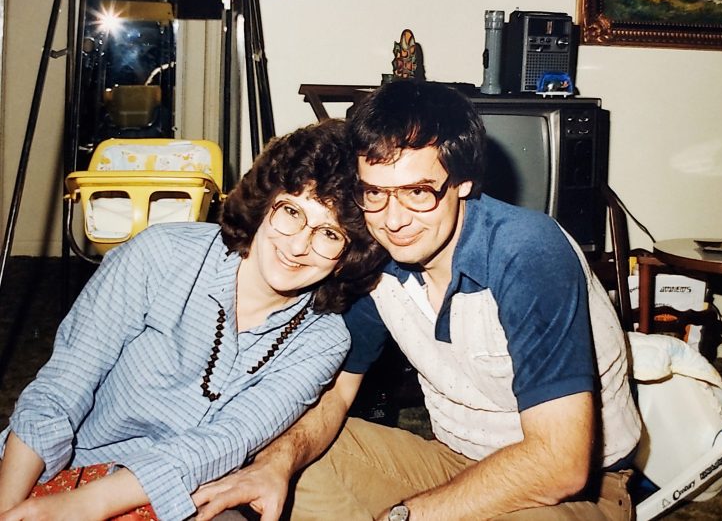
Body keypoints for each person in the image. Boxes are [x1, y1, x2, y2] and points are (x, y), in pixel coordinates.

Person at [193, 80, 641, 520]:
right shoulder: (378, 253)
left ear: (462, 182)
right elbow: (336, 394)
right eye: (375, 193)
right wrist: (276, 466)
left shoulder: (528, 253)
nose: (393, 221)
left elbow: (560, 465)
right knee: (286, 462)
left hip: (576, 488)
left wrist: (407, 514)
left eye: (417, 193)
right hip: (450, 462)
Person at [0, 119, 385, 521]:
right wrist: (10, 506)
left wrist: (84, 507)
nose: (298, 245)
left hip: (181, 493)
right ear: (265, 201)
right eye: (290, 211)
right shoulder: (160, 254)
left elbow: (222, 442)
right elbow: (61, 387)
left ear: (349, 255)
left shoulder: (324, 340)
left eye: (329, 234)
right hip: (66, 465)